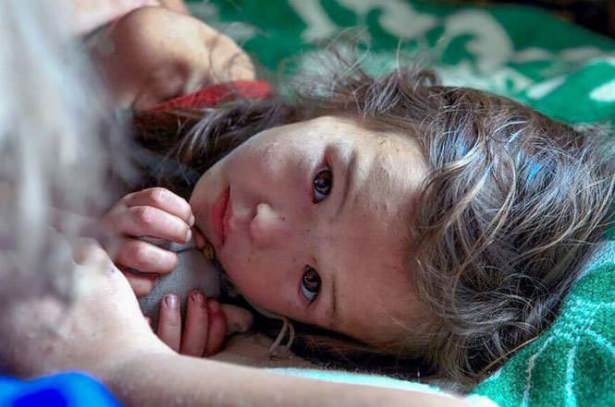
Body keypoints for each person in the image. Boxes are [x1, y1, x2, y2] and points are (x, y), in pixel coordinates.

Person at [103, 53, 615, 386]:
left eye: (311, 283)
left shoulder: (232, 340)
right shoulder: (176, 80)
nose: (263, 226)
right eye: (322, 184)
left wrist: (139, 339)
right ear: (354, 106)